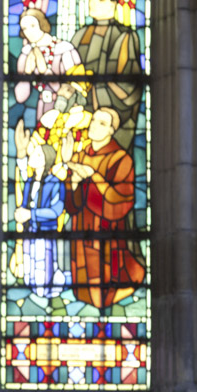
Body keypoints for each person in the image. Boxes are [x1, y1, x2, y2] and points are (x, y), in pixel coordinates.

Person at [60, 107, 145, 307]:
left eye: (102, 123)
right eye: (94, 120)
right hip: (82, 229)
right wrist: (73, 182)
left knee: (105, 280)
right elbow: (72, 206)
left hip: (108, 232)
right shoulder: (79, 156)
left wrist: (93, 176)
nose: (94, 125)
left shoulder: (121, 159)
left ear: (111, 131)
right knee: (83, 283)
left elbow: (121, 199)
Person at [69, 0, 144, 151]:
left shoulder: (125, 36)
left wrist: (95, 87)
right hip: (79, 112)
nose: (92, 3)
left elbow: (130, 86)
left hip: (113, 114)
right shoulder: (79, 36)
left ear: (114, 5)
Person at [14, 8, 83, 123]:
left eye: (32, 25)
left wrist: (45, 72)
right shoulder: (26, 54)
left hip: (65, 110)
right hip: (42, 109)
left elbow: (74, 90)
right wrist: (27, 75)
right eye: (24, 28)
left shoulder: (64, 49)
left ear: (42, 24)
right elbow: (20, 97)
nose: (29, 31)